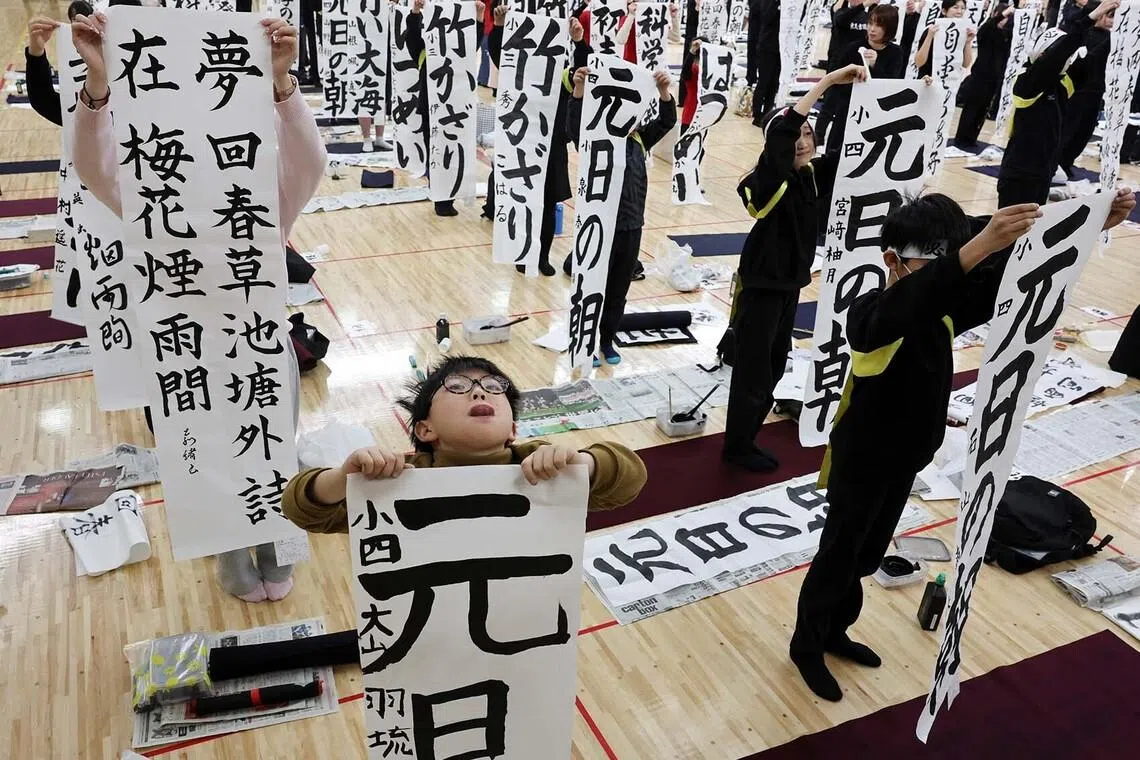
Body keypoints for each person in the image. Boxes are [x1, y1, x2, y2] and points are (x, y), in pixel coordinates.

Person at [789, 187, 1136, 702]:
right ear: (893, 260)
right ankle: (806, 644)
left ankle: (835, 630)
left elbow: (1014, 278)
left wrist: (1093, 226)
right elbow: (908, 303)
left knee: (865, 556)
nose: (955, 271)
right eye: (939, 260)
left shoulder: (943, 306)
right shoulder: (872, 313)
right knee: (839, 555)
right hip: (862, 459)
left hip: (906, 455)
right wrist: (973, 249)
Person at [68, 12, 327, 603]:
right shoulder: (149, 195)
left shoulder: (261, 195)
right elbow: (92, 165)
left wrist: (283, 84)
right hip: (182, 349)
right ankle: (232, 549)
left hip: (260, 345)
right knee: (203, 455)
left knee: (268, 444)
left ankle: (268, 542)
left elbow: (309, 162)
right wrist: (98, 85)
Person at [282, 356, 649, 532]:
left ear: (512, 429)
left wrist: (584, 465)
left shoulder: (541, 464)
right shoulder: (397, 483)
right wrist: (345, 477)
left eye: (493, 387)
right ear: (425, 429)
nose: (478, 391)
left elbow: (631, 478)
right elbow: (302, 509)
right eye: (457, 387)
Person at [723, 64, 867, 473]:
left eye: (809, 135)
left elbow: (864, 146)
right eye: (795, 136)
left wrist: (905, 93)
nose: (802, 142)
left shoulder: (814, 176)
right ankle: (737, 445)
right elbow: (782, 138)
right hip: (761, 286)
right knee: (753, 371)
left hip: (788, 286)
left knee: (774, 361)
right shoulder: (765, 178)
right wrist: (824, 83)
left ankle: (748, 434)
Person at [565, 66, 677, 367]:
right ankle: (584, 340)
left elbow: (668, 120)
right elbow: (573, 127)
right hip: (597, 225)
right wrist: (578, 90)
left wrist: (664, 92)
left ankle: (606, 339)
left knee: (618, 290)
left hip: (631, 226)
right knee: (591, 286)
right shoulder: (594, 138)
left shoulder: (641, 139)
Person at [481, 7, 589, 277]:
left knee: (549, 203)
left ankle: (541, 256)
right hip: (522, 144)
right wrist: (499, 26)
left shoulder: (562, 76)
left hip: (552, 148)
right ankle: (523, 252)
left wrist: (578, 41)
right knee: (522, 200)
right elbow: (499, 55)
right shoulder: (519, 76)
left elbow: (583, 70)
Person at [996, 0, 1117, 207]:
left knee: (1030, 234)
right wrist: (1090, 16)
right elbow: (1058, 54)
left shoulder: (1060, 85)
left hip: (1043, 174)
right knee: (1009, 234)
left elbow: (1093, 61)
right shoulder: (1027, 82)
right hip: (1019, 175)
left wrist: (1124, 31)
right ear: (1043, 54)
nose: (1068, 60)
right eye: (1063, 56)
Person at [823, 4, 905, 156]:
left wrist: (875, 65)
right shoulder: (853, 47)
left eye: (878, 25)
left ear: (890, 28)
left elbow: (891, 85)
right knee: (835, 148)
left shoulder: (895, 52)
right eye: (870, 23)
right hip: (848, 107)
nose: (872, 29)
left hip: (875, 112)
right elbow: (837, 77)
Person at [1057, 2, 1112, 180]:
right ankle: (1056, 162)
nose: (1112, 21)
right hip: (1076, 92)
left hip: (1097, 92)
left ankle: (1066, 162)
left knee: (1084, 133)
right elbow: (1089, 60)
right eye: (1109, 16)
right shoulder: (1083, 34)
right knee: (1068, 130)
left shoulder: (1110, 37)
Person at [954, 3, 1013, 149]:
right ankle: (961, 138)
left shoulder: (1006, 35)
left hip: (994, 78)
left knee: (983, 110)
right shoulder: (987, 30)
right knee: (971, 108)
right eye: (1001, 16)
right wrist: (1004, 13)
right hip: (980, 76)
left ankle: (972, 138)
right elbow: (989, 25)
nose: (1003, 20)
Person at [912, 0, 976, 80]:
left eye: (963, 8)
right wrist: (929, 37)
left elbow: (965, 64)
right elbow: (918, 62)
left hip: (949, 83)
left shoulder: (962, 32)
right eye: (955, 7)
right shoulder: (932, 30)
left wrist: (968, 42)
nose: (959, 11)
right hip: (927, 80)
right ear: (944, 11)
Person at [749, 0, 782, 123]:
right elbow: (767, 17)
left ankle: (768, 113)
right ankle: (757, 114)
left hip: (782, 48)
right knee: (763, 82)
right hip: (766, 46)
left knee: (774, 84)